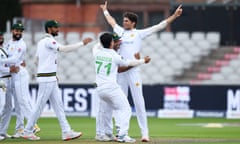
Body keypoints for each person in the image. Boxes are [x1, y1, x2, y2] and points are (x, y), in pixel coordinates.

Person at [100, 1, 183, 142]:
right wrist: (105, 10)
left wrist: (174, 16)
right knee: (120, 103)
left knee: (139, 102)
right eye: (124, 20)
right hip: (120, 72)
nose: (124, 22)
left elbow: (159, 26)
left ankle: (145, 133)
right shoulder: (119, 31)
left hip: (133, 71)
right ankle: (120, 132)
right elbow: (112, 21)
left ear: (133, 23)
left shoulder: (138, 34)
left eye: (126, 21)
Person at [22, 20, 92, 141]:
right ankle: (27, 130)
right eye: (55, 28)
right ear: (49, 29)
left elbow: (36, 60)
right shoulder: (49, 41)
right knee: (39, 105)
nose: (58, 29)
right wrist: (82, 43)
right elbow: (64, 49)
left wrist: (50, 71)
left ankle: (66, 132)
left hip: (50, 77)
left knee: (58, 106)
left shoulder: (41, 42)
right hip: (47, 78)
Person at [94, 32, 150, 143]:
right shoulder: (115, 56)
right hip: (111, 87)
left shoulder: (97, 53)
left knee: (104, 111)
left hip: (99, 88)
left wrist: (99, 42)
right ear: (111, 43)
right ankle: (122, 135)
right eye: (114, 41)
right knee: (126, 109)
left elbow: (95, 47)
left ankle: (103, 134)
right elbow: (128, 62)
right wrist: (143, 60)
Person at [0, 24, 40, 138]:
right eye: (17, 30)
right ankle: (19, 129)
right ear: (12, 31)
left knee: (22, 101)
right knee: (15, 104)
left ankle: (31, 128)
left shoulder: (21, 44)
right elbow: (8, 58)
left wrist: (11, 62)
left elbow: (14, 59)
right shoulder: (8, 44)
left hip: (19, 74)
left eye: (21, 31)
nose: (19, 32)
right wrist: (10, 64)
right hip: (10, 76)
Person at [0, 31, 20, 141]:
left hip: (7, 79)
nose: (1, 38)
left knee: (8, 107)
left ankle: (2, 131)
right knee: (1, 105)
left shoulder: (4, 49)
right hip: (1, 80)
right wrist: (9, 69)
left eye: (1, 36)